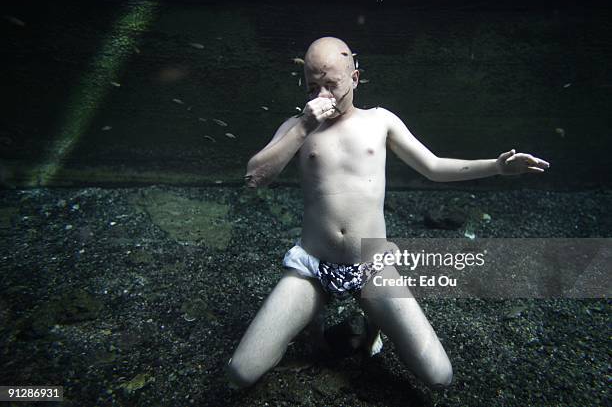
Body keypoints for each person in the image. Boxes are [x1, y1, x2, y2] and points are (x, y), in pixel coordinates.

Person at [226, 36, 550, 390]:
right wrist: (304, 126)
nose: (322, 96)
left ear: (355, 78)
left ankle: (371, 323)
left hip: (371, 264)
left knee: (439, 377)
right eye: (313, 86)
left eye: (331, 85)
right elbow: (253, 177)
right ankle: (310, 323)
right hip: (313, 266)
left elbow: (434, 166)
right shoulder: (296, 127)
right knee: (240, 372)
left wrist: (498, 168)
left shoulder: (380, 121)